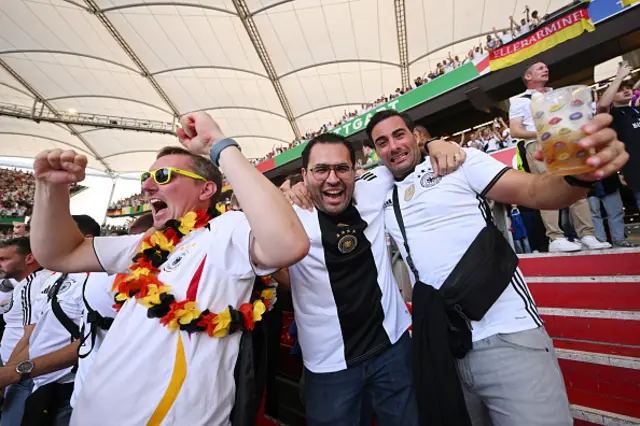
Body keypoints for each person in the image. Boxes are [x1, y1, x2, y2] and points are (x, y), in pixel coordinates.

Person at [29, 111, 310, 426]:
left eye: (163, 177)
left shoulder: (226, 230)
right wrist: (50, 188)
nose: (148, 187)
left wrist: (219, 145)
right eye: (146, 179)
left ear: (205, 190)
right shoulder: (148, 244)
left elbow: (288, 244)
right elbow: (59, 254)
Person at [365, 109, 627, 426]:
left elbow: (535, 191)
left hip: (508, 335)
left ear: (416, 136)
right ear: (375, 152)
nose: (392, 146)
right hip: (445, 350)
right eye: (382, 142)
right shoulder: (377, 188)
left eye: (399, 135)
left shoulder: (460, 162)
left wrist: (578, 175)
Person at [279, 134, 465, 426]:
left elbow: (402, 158)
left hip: (392, 347)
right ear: (305, 175)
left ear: (355, 170)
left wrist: (434, 145)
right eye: (320, 170)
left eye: (341, 168)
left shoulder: (373, 186)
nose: (332, 178)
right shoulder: (288, 216)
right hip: (329, 365)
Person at [509, 61, 610, 252]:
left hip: (566, 142)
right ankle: (555, 237)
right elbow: (515, 130)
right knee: (548, 190)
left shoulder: (560, 96)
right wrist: (542, 132)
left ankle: (587, 234)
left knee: (576, 185)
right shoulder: (521, 101)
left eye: (546, 67)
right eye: (539, 68)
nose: (545, 69)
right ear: (528, 77)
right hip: (539, 145)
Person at [0, 237, 52, 426]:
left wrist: (7, 374)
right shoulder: (33, 281)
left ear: (29, 258)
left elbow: (31, 335)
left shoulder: (32, 284)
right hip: (20, 370)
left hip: (21, 373)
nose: (0, 264)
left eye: (4, 259)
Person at [597, 63, 640, 212]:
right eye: (620, 90)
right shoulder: (611, 117)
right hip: (636, 172)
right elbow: (603, 104)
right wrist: (619, 77)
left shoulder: (636, 109)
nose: (626, 91)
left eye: (627, 88)